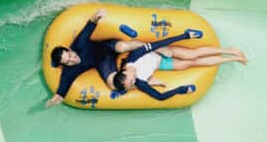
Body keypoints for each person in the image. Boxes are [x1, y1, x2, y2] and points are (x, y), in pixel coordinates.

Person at [45, 8, 149, 108]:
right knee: (112, 85)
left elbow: (90, 25)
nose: (73, 60)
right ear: (65, 65)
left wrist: (98, 15)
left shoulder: (79, 44)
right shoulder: (69, 72)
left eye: (70, 56)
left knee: (122, 47)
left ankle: (152, 47)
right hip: (103, 62)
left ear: (70, 50)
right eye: (68, 62)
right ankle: (143, 83)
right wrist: (54, 101)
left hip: (106, 47)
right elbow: (60, 93)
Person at [104, 29, 246, 101]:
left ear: (124, 73)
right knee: (192, 63)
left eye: (131, 81)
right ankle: (232, 60)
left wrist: (185, 36)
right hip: (162, 65)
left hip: (162, 52)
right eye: (131, 85)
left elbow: (158, 44)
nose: (134, 82)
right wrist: (181, 90)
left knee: (193, 55)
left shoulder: (134, 57)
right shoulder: (140, 82)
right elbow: (160, 97)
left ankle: (229, 51)